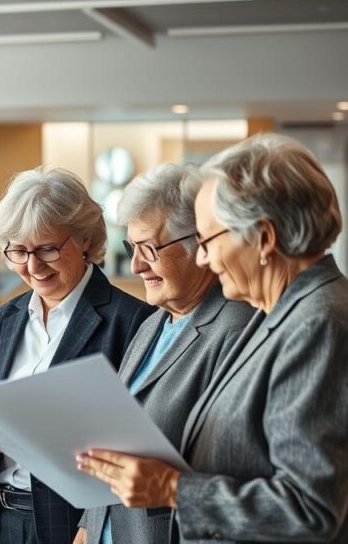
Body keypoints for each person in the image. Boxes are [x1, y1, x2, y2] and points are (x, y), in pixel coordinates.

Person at [77, 134, 348, 542]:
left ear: (263, 238)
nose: (203, 258)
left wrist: (172, 489)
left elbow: (309, 509)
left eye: (209, 241)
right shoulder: (282, 313)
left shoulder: (317, 322)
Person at [0, 166, 153, 544]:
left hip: (76, 527)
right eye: (19, 251)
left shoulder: (134, 322)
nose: (33, 266)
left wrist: (97, 523)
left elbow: (142, 452)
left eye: (47, 249)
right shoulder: (5, 319)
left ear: (85, 239)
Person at [72, 164, 255, 544]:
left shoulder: (237, 331)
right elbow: (118, 435)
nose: (137, 265)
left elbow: (238, 474)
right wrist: (89, 525)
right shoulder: (152, 323)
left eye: (149, 249)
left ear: (200, 242)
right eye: (132, 248)